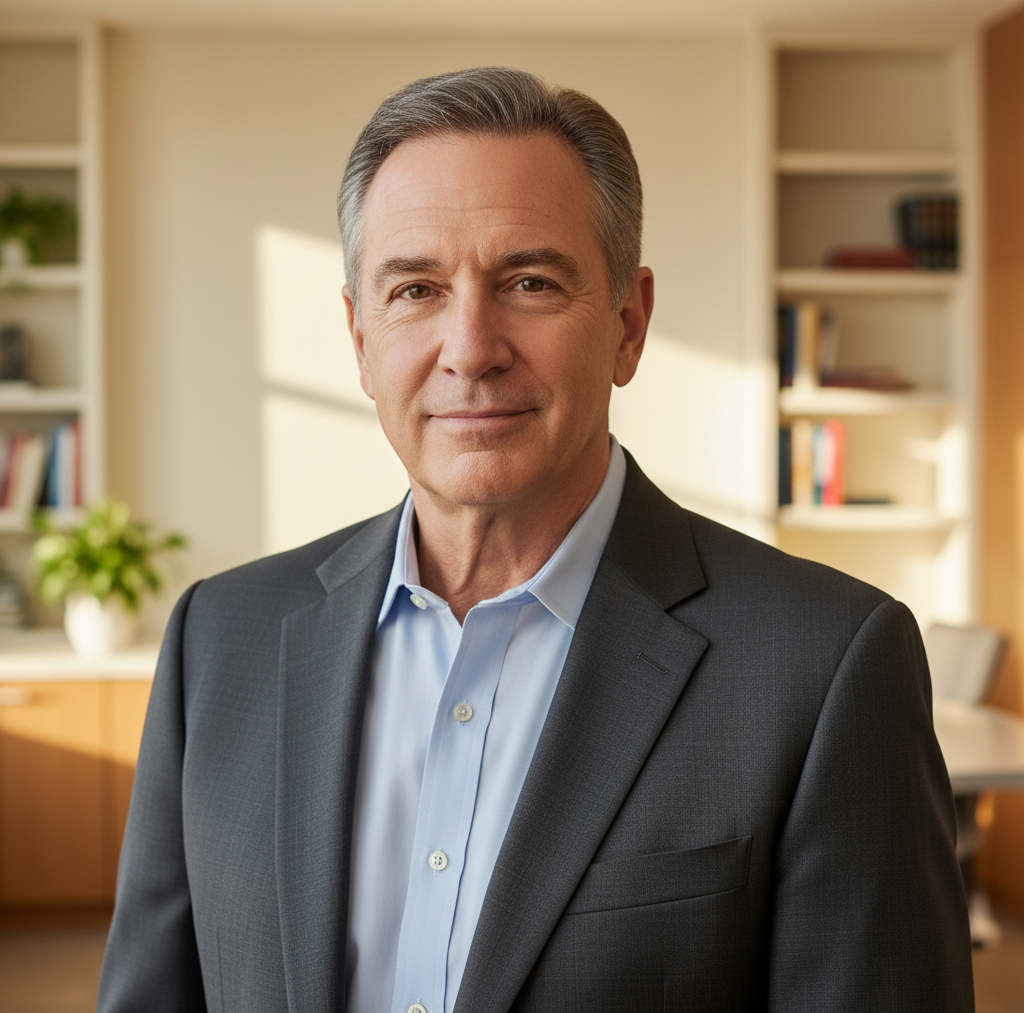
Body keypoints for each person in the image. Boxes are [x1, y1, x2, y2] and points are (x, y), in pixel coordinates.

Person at [98, 67, 972, 1013]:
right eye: (416, 289)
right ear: (359, 338)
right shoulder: (218, 641)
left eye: (529, 281)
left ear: (628, 325)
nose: (470, 347)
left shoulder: (824, 664)